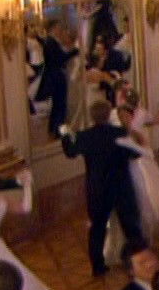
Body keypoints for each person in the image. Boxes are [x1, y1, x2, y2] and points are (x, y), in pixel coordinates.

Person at [59, 99, 144, 279]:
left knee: (97, 228)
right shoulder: (119, 132)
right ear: (108, 114)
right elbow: (135, 153)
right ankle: (139, 259)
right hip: (121, 185)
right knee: (130, 225)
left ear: (92, 116)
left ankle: (98, 267)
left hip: (97, 188)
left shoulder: (85, 136)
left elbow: (70, 152)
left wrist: (65, 135)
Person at [100, 102, 159, 266]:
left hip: (136, 173)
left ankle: (140, 243)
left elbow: (146, 152)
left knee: (141, 207)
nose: (125, 119)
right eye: (121, 116)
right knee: (126, 211)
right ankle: (126, 246)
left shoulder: (133, 134)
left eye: (127, 116)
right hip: (125, 176)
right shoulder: (118, 135)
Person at [37, 21, 80, 136]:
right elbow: (60, 58)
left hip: (55, 75)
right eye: (58, 27)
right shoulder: (50, 42)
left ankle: (53, 128)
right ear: (53, 28)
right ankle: (58, 130)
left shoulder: (51, 41)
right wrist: (74, 52)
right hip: (56, 76)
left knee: (57, 104)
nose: (59, 30)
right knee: (60, 103)